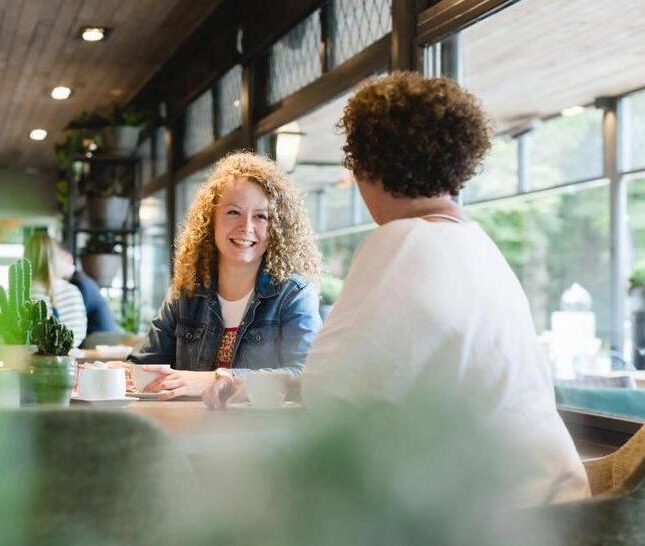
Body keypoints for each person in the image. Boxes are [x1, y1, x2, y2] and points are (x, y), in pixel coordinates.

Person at [204, 72, 589, 506]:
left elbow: (333, 392)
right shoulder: (476, 244)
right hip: (557, 507)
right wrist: (262, 383)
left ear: (368, 165)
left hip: (501, 524)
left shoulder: (405, 241)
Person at [124, 152, 322, 400]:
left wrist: (216, 379)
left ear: (276, 228)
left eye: (261, 216)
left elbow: (306, 376)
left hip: (260, 434)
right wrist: (123, 372)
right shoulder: (186, 291)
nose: (246, 227)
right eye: (233, 212)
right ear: (210, 221)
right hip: (186, 431)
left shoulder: (294, 295)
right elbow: (144, 364)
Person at [24, 232, 87, 348]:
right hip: (69, 359)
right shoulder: (72, 291)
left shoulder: (24, 293)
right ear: (56, 257)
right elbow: (79, 332)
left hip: (31, 359)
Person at [53, 243, 117, 335]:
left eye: (56, 261)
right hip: (98, 335)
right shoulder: (80, 279)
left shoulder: (78, 284)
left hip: (98, 337)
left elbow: (74, 319)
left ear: (69, 259)